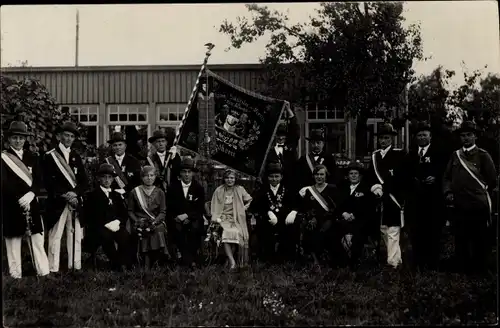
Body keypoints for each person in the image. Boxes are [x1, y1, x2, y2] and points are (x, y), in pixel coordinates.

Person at [443, 121, 497, 275]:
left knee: (479, 239)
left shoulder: (483, 155)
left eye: (469, 135)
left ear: (475, 136)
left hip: (477, 204)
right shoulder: (455, 155)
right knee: (461, 238)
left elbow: (492, 179)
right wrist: (448, 192)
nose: (465, 138)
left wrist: (480, 193)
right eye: (463, 135)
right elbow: (446, 177)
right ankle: (462, 269)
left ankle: (479, 270)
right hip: (459, 204)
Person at [1, 121, 51, 279]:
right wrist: (19, 197)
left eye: (21, 138)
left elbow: (39, 179)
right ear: (9, 139)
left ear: (25, 140)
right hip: (12, 204)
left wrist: (32, 194)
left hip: (31, 202)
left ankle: (43, 272)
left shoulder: (33, 157)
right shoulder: (3, 158)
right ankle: (15, 275)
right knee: (13, 239)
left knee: (37, 238)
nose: (18, 141)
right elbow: (3, 183)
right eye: (15, 138)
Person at [43, 121, 89, 273]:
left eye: (71, 136)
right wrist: (66, 195)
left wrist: (75, 193)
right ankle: (53, 268)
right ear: (59, 136)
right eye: (66, 135)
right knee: (56, 235)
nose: (69, 139)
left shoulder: (76, 156)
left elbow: (84, 181)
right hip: (58, 201)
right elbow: (48, 181)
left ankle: (75, 266)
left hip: (75, 201)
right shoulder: (50, 156)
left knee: (74, 234)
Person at [404, 121, 449, 271]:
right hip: (415, 200)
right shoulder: (411, 154)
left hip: (433, 199)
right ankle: (418, 261)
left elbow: (446, 172)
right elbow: (405, 174)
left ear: (430, 136)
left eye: (425, 134)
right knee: (417, 231)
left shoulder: (440, 152)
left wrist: (435, 177)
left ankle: (432, 263)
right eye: (419, 135)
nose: (422, 137)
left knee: (433, 231)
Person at [366, 123, 406, 269]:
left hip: (394, 197)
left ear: (392, 139)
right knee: (383, 228)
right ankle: (397, 258)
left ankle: (392, 263)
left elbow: (403, 177)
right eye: (381, 138)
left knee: (393, 229)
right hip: (378, 197)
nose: (383, 141)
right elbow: (370, 176)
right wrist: (374, 187)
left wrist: (391, 191)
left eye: (386, 138)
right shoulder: (375, 156)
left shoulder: (399, 154)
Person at [84, 164, 133, 271]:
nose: (107, 180)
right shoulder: (92, 195)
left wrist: (118, 221)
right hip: (99, 227)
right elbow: (89, 215)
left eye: (110, 177)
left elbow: (123, 213)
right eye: (104, 177)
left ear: (113, 179)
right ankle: (116, 264)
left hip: (115, 225)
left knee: (125, 236)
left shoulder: (116, 195)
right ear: (99, 178)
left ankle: (125, 263)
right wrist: (105, 224)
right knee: (107, 237)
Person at [250, 162, 300, 264]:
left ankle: (287, 258)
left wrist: (293, 212)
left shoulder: (288, 190)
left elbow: (297, 203)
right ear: (267, 177)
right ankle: (268, 258)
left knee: (292, 229)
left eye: (277, 176)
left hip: (285, 219)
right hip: (268, 220)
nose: (274, 179)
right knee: (264, 230)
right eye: (271, 176)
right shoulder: (262, 190)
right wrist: (267, 212)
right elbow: (254, 207)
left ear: (281, 177)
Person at [297, 164, 340, 272]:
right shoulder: (309, 191)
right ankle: (315, 261)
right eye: (317, 175)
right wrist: (311, 218)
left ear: (326, 176)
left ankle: (327, 259)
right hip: (313, 220)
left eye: (322, 174)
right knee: (309, 229)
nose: (319, 177)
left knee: (328, 232)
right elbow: (305, 208)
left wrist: (324, 219)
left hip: (329, 220)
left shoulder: (332, 188)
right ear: (313, 176)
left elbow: (335, 208)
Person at [167, 157, 206, 269]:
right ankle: (182, 259)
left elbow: (200, 208)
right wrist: (177, 217)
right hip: (177, 218)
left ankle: (191, 259)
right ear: (180, 173)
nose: (187, 175)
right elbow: (169, 207)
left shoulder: (198, 188)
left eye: (189, 172)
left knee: (194, 229)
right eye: (184, 172)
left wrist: (188, 216)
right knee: (177, 230)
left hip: (193, 218)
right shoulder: (173, 188)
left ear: (193, 173)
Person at [128, 165, 170, 269]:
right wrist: (137, 221)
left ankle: (157, 260)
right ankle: (144, 261)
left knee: (158, 229)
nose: (149, 178)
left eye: (152, 175)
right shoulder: (134, 192)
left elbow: (163, 212)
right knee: (142, 230)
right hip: (139, 221)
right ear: (142, 177)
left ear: (155, 177)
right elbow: (130, 211)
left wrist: (155, 221)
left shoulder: (160, 192)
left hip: (156, 221)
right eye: (146, 176)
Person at [336, 161, 376, 269]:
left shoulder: (366, 189)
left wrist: (354, 215)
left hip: (361, 220)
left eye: (356, 173)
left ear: (360, 176)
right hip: (344, 219)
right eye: (351, 173)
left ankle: (353, 262)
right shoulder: (343, 188)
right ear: (348, 176)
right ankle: (341, 261)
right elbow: (337, 205)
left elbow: (369, 208)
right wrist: (343, 213)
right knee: (334, 232)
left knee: (358, 235)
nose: (353, 176)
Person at [210, 169, 252, 271]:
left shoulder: (239, 189)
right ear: (224, 179)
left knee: (238, 233)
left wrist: (243, 208)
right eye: (227, 178)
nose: (229, 180)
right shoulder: (218, 190)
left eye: (232, 178)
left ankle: (229, 260)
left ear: (235, 179)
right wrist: (216, 219)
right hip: (222, 218)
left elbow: (249, 199)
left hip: (236, 218)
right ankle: (233, 262)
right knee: (228, 232)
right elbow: (214, 205)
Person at [265, 105, 300, 191]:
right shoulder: (269, 150)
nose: (280, 138)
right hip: (272, 185)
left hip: (290, 185)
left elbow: (294, 129)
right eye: (278, 135)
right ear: (274, 135)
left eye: (283, 135)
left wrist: (288, 109)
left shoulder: (291, 147)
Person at [102, 131, 142, 196]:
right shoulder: (106, 162)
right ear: (112, 147)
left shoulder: (134, 161)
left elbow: (138, 181)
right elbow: (103, 180)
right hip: (112, 196)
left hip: (130, 196)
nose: (118, 147)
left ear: (125, 146)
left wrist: (125, 190)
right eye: (115, 145)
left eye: (120, 144)